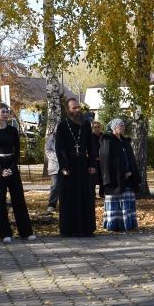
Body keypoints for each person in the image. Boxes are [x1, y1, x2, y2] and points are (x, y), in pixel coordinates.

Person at [0, 103, 36, 243]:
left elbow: (17, 151)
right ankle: (5, 233)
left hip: (12, 166)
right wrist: (1, 169)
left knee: (18, 199)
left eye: (7, 111)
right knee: (1, 201)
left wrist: (12, 168)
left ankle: (26, 231)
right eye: (3, 111)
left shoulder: (13, 130)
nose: (6, 114)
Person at [55, 97, 97, 237]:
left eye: (78, 107)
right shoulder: (62, 126)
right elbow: (59, 148)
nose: (78, 110)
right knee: (69, 197)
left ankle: (85, 228)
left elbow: (91, 145)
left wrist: (92, 163)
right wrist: (64, 166)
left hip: (83, 165)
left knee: (85, 196)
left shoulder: (85, 125)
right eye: (74, 108)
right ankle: (68, 229)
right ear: (68, 110)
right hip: (69, 165)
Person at [99, 119, 141, 232]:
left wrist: (131, 172)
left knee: (127, 201)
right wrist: (121, 174)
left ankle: (128, 223)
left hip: (128, 177)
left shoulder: (125, 142)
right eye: (120, 125)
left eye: (123, 125)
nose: (122, 127)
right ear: (113, 127)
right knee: (115, 201)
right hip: (115, 178)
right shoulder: (107, 140)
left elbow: (131, 159)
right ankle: (114, 225)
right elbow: (106, 160)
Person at [45, 128, 60, 213]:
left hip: (66, 166)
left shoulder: (67, 136)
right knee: (55, 185)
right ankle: (51, 204)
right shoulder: (52, 137)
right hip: (55, 166)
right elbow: (48, 150)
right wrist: (58, 157)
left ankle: (66, 204)